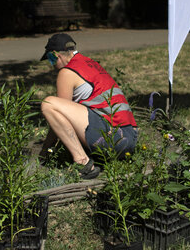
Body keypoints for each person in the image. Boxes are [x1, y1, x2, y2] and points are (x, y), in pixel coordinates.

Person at [38, 33, 138, 180]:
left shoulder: (67, 72)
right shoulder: (91, 63)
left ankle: (83, 163)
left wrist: (45, 150)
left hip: (114, 139)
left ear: (56, 55)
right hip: (130, 138)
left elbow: (58, 118)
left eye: (52, 60)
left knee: (49, 104)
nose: (53, 65)